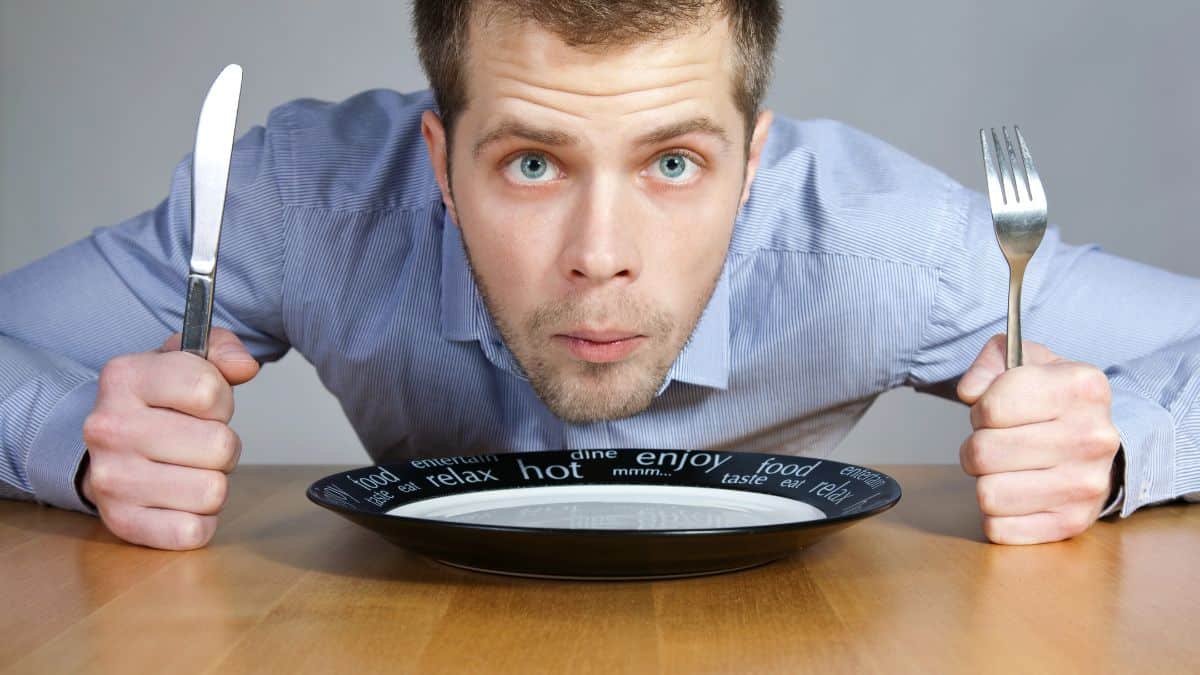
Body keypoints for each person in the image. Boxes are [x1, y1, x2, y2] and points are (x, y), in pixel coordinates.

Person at [2, 0, 1197, 551]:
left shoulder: (893, 246)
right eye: (531, 161)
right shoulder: (297, 204)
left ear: (752, 165)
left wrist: (1121, 446)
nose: (599, 254)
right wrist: (79, 437)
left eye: (675, 161)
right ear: (440, 159)